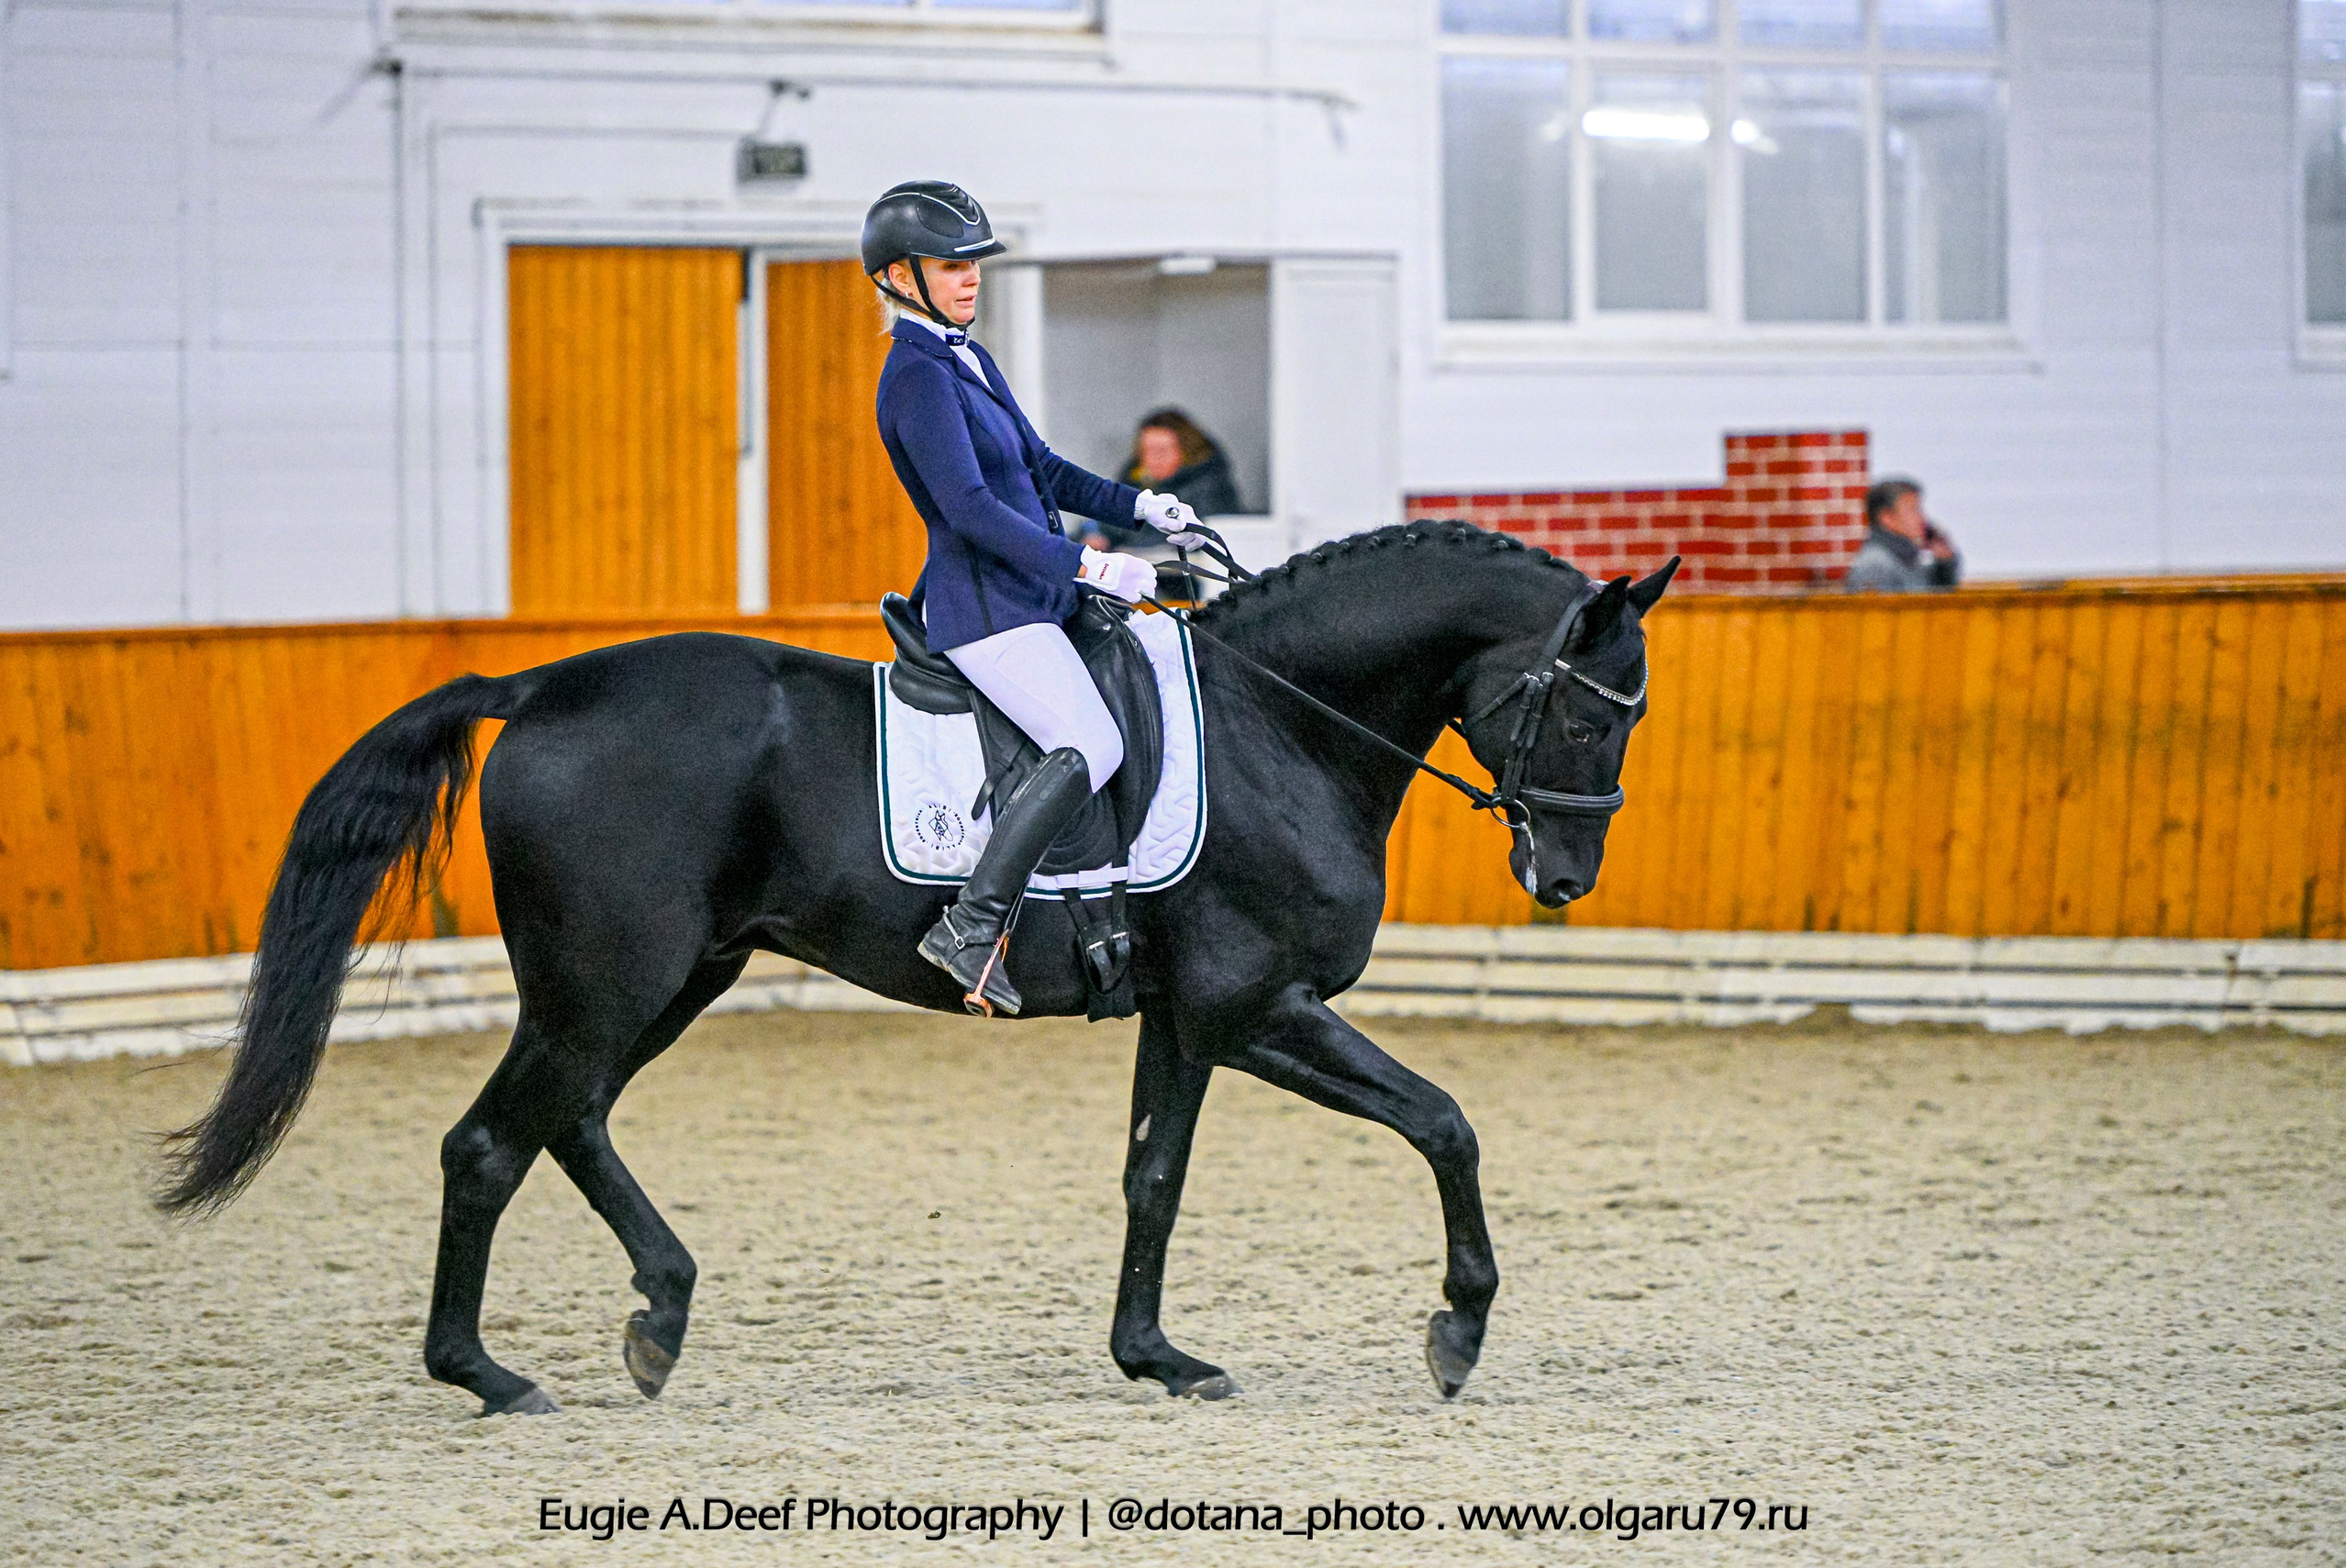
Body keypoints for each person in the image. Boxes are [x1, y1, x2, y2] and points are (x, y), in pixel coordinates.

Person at [865, 180, 1205, 1017]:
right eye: (951, 265)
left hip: (1028, 594)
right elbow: (970, 510)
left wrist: (1139, 507)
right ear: (899, 277)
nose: (971, 278)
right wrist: (1089, 567)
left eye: (974, 264)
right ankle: (971, 925)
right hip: (984, 609)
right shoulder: (914, 375)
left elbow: (1041, 468)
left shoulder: (963, 357)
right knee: (1091, 738)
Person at [1845, 477, 1962, 593]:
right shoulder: (1874, 566)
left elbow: (1934, 605)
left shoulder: (1909, 561)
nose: (1921, 518)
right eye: (1913, 510)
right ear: (1887, 518)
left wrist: (1944, 567)